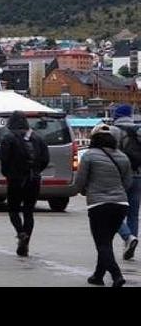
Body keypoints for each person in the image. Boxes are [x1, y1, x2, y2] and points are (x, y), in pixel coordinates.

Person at [75, 124, 133, 287]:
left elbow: (80, 180)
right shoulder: (122, 156)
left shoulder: (89, 156)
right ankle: (98, 275)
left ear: (93, 139)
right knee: (106, 241)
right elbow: (127, 183)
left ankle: (117, 275)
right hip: (121, 204)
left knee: (102, 243)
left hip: (98, 204)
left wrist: (83, 191)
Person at [0, 110, 50, 257]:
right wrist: (36, 171)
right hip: (33, 180)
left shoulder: (8, 138)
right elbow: (45, 159)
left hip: (15, 180)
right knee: (29, 211)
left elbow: (4, 159)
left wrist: (8, 173)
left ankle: (20, 232)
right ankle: (26, 243)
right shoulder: (38, 138)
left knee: (13, 209)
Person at [113, 104, 141, 260]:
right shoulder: (138, 130)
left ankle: (127, 237)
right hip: (138, 176)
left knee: (113, 211)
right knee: (133, 214)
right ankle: (131, 245)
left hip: (120, 177)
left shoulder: (114, 131)